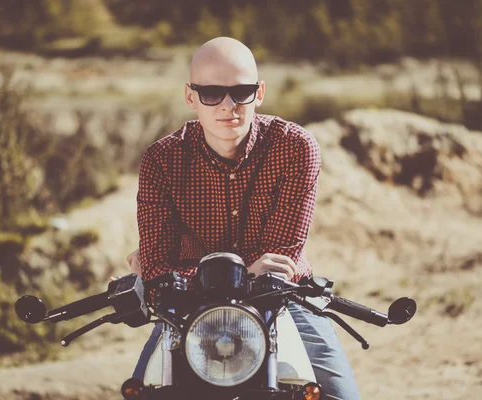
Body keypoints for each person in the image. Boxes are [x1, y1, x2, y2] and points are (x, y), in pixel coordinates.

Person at [126, 37, 360, 400]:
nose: (228, 106)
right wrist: (234, 273)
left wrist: (184, 273)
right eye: (212, 93)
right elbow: (158, 269)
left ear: (260, 92)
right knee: (144, 391)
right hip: (191, 306)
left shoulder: (295, 148)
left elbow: (281, 257)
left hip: (281, 298)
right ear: (190, 96)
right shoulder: (162, 161)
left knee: (340, 396)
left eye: (241, 92)